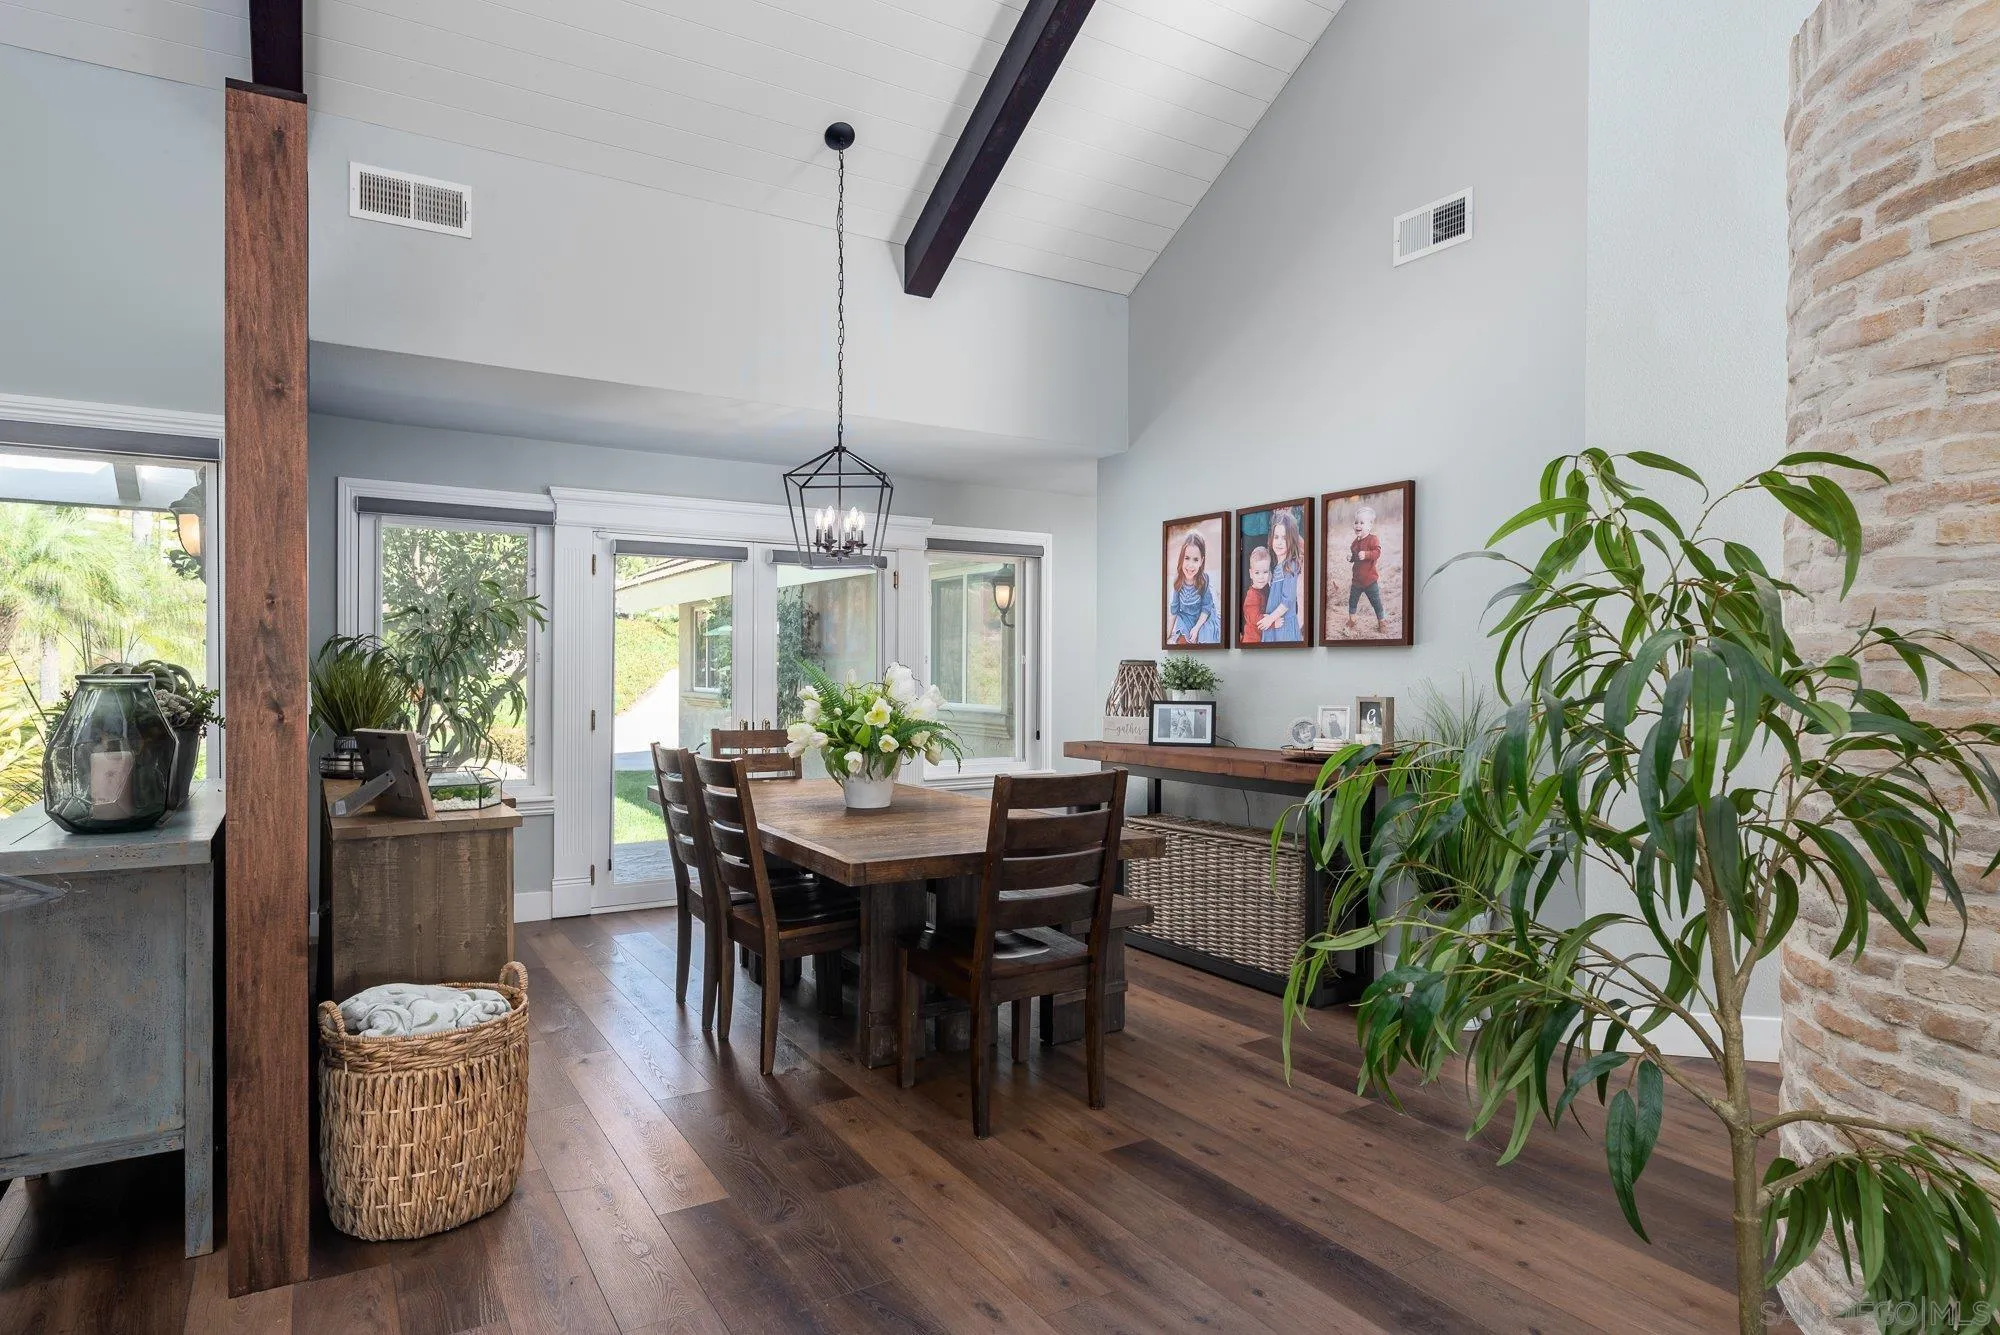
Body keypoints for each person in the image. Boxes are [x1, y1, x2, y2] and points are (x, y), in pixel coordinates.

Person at [1258, 510, 1306, 642]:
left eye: (1284, 538)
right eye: (1276, 537)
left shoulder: (1290, 565)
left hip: (1284, 626)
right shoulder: (1277, 565)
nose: (1279, 542)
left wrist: (1270, 619)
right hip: (1275, 623)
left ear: (1292, 540)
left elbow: (1287, 600)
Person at [1167, 531, 1220, 645]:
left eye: (1195, 559)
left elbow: (1206, 608)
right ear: (1181, 558)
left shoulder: (1204, 580)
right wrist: (1167, 635)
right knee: (1182, 642)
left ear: (1201, 561)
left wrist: (1196, 628)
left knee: (1203, 640)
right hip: (1186, 618)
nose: (1190, 565)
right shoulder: (1178, 581)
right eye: (1187, 558)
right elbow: (1174, 610)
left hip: (1203, 618)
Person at [1345, 506, 1385, 633]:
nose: (1358, 525)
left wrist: (1367, 554)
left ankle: (1382, 621)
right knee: (1352, 600)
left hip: (1370, 580)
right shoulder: (1354, 543)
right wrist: (1351, 558)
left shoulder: (1373, 539)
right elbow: (1355, 557)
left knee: (1376, 601)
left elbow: (1377, 553)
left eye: (1362, 523)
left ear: (1370, 525)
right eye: (1356, 522)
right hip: (1357, 580)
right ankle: (1352, 619)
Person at [1240, 545, 1271, 645]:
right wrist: (1273, 622)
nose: (1261, 577)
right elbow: (1256, 619)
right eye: (1257, 573)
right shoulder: (1252, 595)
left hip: (1260, 639)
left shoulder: (1264, 589)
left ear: (1270, 573)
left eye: (1265, 572)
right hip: (1252, 640)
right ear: (1251, 573)